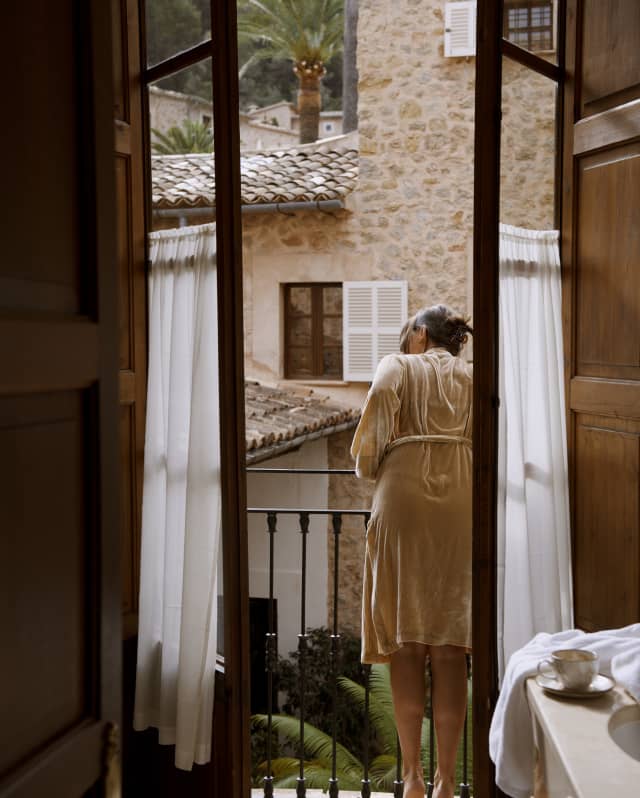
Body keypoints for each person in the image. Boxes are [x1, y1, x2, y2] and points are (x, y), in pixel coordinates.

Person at [351, 304, 473, 798]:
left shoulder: (397, 365)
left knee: (406, 643)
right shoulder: (473, 376)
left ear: (420, 335)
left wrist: (370, 462)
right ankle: (447, 779)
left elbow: (381, 398)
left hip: (403, 496)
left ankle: (411, 778)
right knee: (449, 647)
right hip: (461, 497)